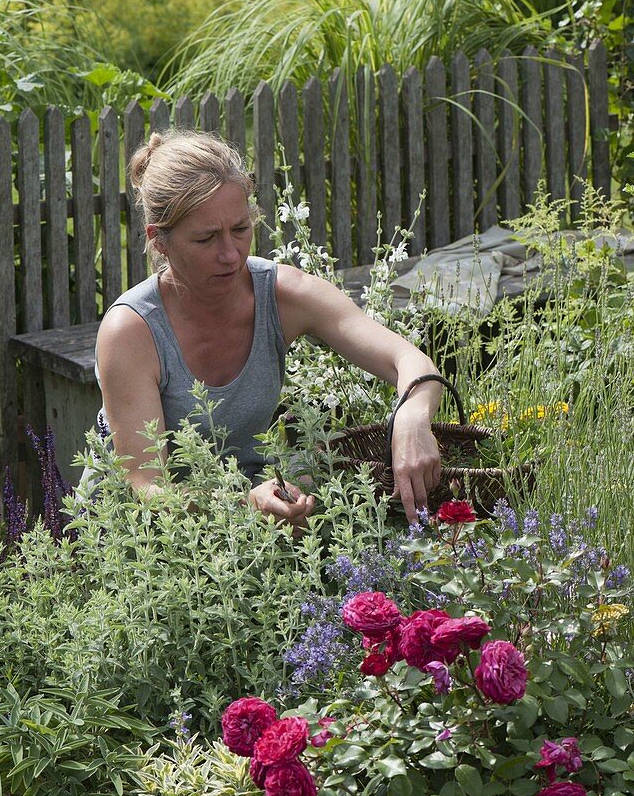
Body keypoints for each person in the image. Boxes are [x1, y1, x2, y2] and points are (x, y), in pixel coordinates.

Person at [95, 130, 442, 524]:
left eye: (241, 230)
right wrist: (247, 504)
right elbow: (146, 487)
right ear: (159, 241)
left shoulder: (280, 294)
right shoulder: (132, 330)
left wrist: (412, 416)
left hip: (252, 524)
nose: (230, 254)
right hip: (140, 544)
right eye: (206, 238)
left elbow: (408, 360)